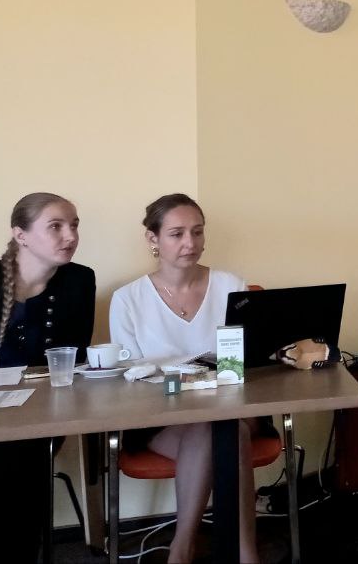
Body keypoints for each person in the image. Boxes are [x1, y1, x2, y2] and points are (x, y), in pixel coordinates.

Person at [0, 193, 95, 563]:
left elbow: (74, 358)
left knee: (15, 470)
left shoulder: (79, 281)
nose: (70, 235)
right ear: (21, 235)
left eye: (74, 225)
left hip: (32, 420)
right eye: (55, 226)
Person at [109, 194, 259, 563]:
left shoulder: (231, 285)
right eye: (177, 234)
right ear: (153, 239)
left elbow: (246, 361)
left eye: (197, 232)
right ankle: (243, 554)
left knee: (221, 426)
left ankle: (182, 551)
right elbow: (132, 378)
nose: (190, 243)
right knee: (223, 433)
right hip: (161, 415)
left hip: (231, 405)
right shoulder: (128, 299)